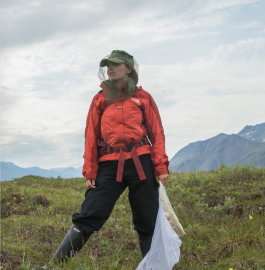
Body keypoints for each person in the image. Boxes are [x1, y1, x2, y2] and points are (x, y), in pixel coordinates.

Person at [32, 50, 169, 270]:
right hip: (109, 164)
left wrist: (160, 165)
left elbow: (156, 132)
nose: (109, 69)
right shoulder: (99, 99)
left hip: (141, 163)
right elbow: (91, 136)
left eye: (115, 64)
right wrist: (90, 170)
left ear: (129, 68)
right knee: (89, 213)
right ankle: (54, 267)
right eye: (107, 65)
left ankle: (153, 267)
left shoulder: (144, 97)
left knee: (147, 220)